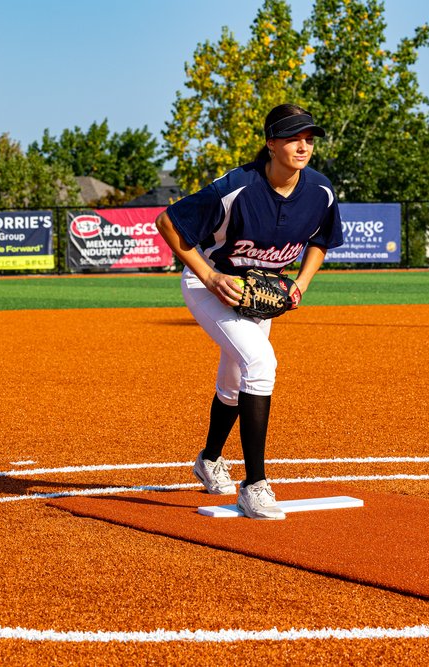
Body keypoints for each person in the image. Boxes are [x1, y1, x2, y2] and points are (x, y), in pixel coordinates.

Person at [155, 104, 343, 520]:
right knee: (260, 362)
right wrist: (207, 276)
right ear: (271, 143)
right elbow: (168, 221)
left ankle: (209, 459)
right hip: (211, 284)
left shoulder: (320, 191)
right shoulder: (237, 187)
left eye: (309, 138)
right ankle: (254, 485)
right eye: (294, 137)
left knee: (236, 380)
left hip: (258, 290)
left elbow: (321, 239)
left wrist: (301, 283)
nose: (303, 145)